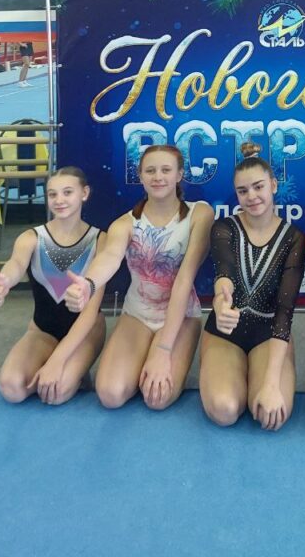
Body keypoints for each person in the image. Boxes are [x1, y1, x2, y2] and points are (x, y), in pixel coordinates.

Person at [64, 144, 212, 411]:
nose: (158, 177)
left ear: (179, 174)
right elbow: (110, 257)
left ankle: (156, 356)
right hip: (137, 315)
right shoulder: (124, 223)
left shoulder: (199, 214)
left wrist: (163, 350)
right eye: (150, 171)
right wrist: (88, 283)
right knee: (110, 394)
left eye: (166, 170)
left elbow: (183, 280)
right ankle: (136, 361)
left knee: (157, 398)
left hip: (181, 316)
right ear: (140, 176)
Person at [199, 142, 305, 431]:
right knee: (224, 410)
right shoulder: (224, 228)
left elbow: (285, 310)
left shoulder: (293, 238)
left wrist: (271, 384)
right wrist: (221, 303)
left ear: (273, 185)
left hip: (270, 332)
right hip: (226, 331)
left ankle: (260, 376)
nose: (252, 196)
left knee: (271, 415)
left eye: (258, 187)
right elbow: (224, 273)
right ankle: (227, 371)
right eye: (243, 191)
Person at [0, 167, 105, 405]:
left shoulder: (101, 240)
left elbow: (90, 312)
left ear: (84, 193)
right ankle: (55, 362)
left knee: (55, 393)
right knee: (11, 389)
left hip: (86, 330)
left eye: (67, 192)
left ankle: (75, 370)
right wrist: (3, 281)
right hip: (43, 329)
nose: (59, 200)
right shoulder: (31, 238)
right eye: (52, 194)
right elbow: (16, 264)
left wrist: (57, 362)